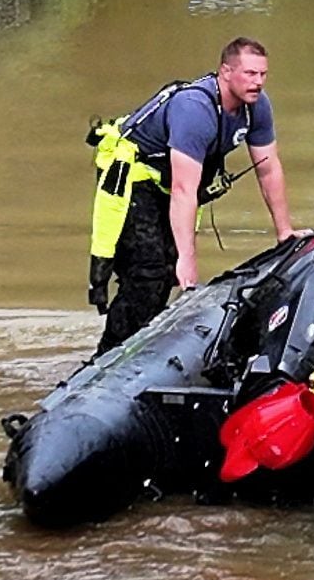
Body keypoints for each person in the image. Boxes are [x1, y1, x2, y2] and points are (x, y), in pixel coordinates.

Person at [87, 35, 297, 351]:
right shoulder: (195, 109)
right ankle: (108, 355)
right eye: (250, 74)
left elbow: (268, 168)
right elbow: (185, 190)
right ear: (225, 72)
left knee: (166, 273)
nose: (258, 82)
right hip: (135, 178)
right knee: (148, 272)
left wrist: (285, 233)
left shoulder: (257, 107)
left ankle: (142, 343)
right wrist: (187, 257)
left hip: (171, 184)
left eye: (263, 74)